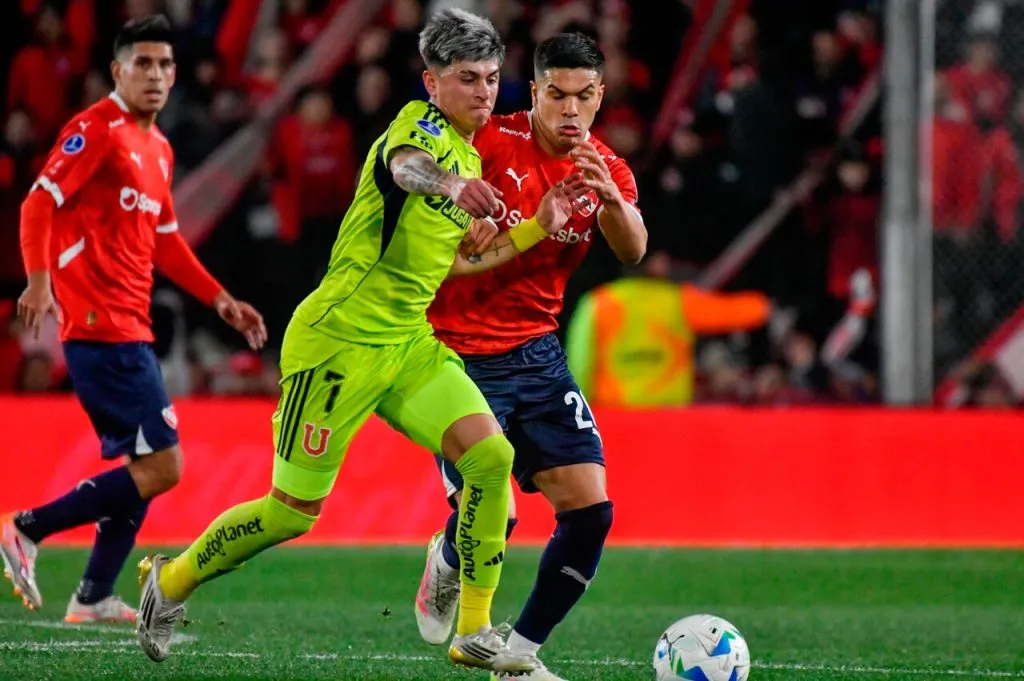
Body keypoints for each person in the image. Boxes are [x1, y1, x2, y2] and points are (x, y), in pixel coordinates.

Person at [134, 9, 588, 673]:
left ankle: (474, 630)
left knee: (491, 458)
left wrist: (533, 228)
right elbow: (406, 168)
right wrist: (455, 183)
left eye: (492, 78)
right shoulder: (421, 129)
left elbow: (456, 263)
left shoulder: (468, 149)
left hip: (407, 343)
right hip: (336, 344)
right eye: (468, 79)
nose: (484, 91)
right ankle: (169, 581)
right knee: (292, 513)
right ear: (433, 83)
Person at [0, 15, 267, 625]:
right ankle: (26, 528)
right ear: (117, 70)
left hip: (129, 324)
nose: (155, 74)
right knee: (164, 467)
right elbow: (39, 202)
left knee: (144, 468)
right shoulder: (97, 129)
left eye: (164, 64)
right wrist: (40, 280)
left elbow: (166, 239)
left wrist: (219, 298)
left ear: (175, 75)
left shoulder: (159, 148)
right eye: (142, 63)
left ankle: (92, 595)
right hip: (99, 325)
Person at [414, 32, 647, 681]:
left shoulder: (603, 167)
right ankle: (449, 561)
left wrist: (614, 202)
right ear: (535, 90)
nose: (569, 110)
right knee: (499, 511)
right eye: (556, 94)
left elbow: (633, 250)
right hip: (457, 356)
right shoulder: (488, 143)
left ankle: (518, 652)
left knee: (591, 512)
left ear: (600, 96)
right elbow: (433, 254)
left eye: (583, 96)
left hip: (537, 356)